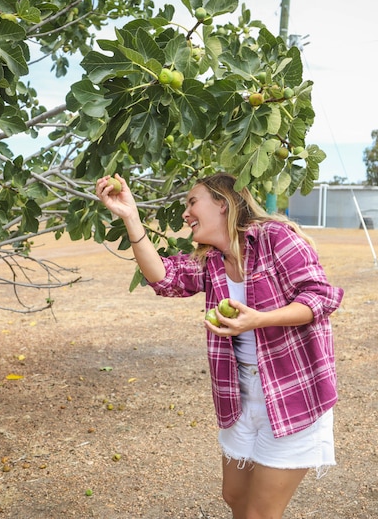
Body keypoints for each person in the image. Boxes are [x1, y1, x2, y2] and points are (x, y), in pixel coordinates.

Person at [95, 172, 344, 519]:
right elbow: (163, 278)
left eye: (192, 202)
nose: (185, 214)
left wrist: (257, 319)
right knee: (234, 497)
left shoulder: (275, 238)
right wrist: (130, 216)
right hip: (240, 396)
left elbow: (321, 297)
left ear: (223, 204)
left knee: (259, 513)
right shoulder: (212, 261)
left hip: (291, 392)